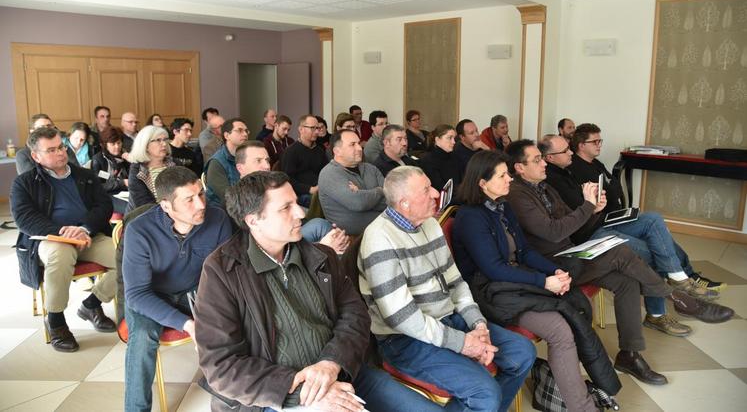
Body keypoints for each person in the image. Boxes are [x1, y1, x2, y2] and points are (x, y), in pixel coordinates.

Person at [194, 171, 442, 412]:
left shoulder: (321, 256)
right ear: (253, 220)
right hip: (275, 394)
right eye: (286, 208)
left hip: (343, 373)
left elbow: (355, 316)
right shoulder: (223, 272)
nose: (300, 213)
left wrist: (331, 363)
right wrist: (301, 394)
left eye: (295, 203)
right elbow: (222, 366)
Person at [504, 139, 733, 385]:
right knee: (620, 252)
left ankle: (630, 355)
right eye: (537, 160)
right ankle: (680, 299)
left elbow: (570, 228)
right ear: (519, 168)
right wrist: (587, 206)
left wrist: (593, 211)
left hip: (570, 253)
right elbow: (553, 232)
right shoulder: (517, 195)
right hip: (551, 266)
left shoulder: (543, 186)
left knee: (627, 283)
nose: (543, 163)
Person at [358, 166, 536, 412]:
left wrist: (478, 324)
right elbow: (403, 319)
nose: (435, 193)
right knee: (485, 393)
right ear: (405, 204)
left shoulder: (429, 224)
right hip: (404, 340)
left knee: (523, 352)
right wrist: (463, 343)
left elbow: (455, 281)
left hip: (448, 320)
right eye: (426, 190)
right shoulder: (379, 239)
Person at [453, 151, 620, 412]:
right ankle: (583, 407)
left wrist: (555, 272)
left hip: (513, 282)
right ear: (482, 183)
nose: (510, 179)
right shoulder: (470, 217)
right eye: (502, 175)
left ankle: (567, 389)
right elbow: (494, 269)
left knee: (575, 305)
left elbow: (525, 251)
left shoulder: (503, 206)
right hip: (490, 293)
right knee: (560, 330)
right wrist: (543, 282)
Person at [543, 133, 722, 312]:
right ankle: (658, 314)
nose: (570, 153)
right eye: (565, 150)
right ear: (549, 158)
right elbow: (575, 215)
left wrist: (594, 204)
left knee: (653, 219)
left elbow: (611, 189)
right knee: (655, 251)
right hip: (591, 232)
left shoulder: (568, 169)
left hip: (600, 220)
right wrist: (592, 204)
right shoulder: (553, 179)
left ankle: (678, 276)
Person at [123, 166, 233, 411]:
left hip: (195, 291)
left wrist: (214, 314)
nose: (201, 205)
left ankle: (233, 391)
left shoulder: (218, 219)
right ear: (166, 206)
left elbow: (226, 274)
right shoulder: (140, 230)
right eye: (189, 200)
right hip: (151, 295)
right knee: (141, 337)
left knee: (238, 317)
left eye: (201, 195)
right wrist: (187, 324)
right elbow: (137, 294)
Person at [11, 127, 116, 352]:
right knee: (61, 253)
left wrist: (85, 228)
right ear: (36, 156)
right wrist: (63, 233)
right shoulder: (25, 183)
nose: (60, 153)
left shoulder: (85, 176)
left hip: (88, 236)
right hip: (50, 239)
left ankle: (92, 304)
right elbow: (24, 218)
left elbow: (104, 205)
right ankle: (57, 321)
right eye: (51, 150)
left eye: (61, 147)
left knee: (130, 257)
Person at [235, 141, 351, 253]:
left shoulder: (269, 187)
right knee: (321, 226)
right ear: (240, 168)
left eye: (267, 160)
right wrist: (322, 248)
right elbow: (268, 248)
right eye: (258, 161)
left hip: (292, 233)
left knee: (330, 232)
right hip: (279, 245)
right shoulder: (239, 199)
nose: (266, 166)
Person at [318, 130, 386, 236]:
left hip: (382, 229)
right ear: (337, 151)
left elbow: (391, 200)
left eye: (358, 143)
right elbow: (358, 203)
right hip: (352, 240)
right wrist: (380, 191)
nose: (359, 148)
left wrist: (363, 194)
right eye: (352, 145)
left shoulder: (371, 169)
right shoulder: (330, 174)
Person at [280, 114, 329, 207]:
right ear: (301, 129)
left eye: (317, 128)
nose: (316, 132)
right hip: (301, 193)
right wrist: (310, 189)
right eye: (312, 128)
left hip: (320, 189)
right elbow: (287, 179)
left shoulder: (319, 150)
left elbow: (326, 171)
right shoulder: (291, 152)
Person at [127, 125, 174, 212]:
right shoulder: (137, 170)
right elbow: (144, 206)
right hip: (147, 218)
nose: (164, 144)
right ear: (145, 145)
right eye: (158, 140)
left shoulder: (173, 165)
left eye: (165, 140)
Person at [205, 118, 249, 207]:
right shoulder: (216, 163)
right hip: (223, 211)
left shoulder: (247, 156)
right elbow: (227, 197)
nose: (245, 134)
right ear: (226, 135)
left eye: (246, 131)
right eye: (240, 130)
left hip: (246, 204)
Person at [91, 126, 130, 215]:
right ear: (105, 144)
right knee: (130, 208)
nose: (117, 147)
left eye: (119, 143)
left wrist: (132, 161)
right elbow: (99, 186)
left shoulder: (125, 156)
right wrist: (122, 182)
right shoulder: (98, 159)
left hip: (126, 193)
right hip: (108, 195)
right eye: (113, 144)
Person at [417, 124, 461, 190]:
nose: (454, 142)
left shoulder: (454, 156)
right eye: (449, 138)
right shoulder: (428, 160)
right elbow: (439, 187)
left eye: (454, 138)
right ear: (437, 139)